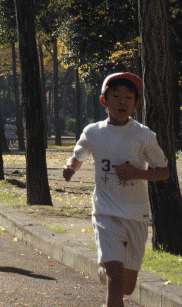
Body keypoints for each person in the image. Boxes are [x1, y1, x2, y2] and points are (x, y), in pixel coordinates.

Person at [62, 72, 169, 307]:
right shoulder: (93, 132)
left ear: (136, 103)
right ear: (104, 101)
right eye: (116, 96)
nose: (122, 102)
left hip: (136, 215)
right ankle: (110, 271)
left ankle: (107, 271)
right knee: (117, 278)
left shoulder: (143, 135)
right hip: (105, 213)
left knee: (127, 286)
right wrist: (70, 167)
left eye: (128, 97)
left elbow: (164, 171)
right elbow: (78, 156)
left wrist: (137, 173)